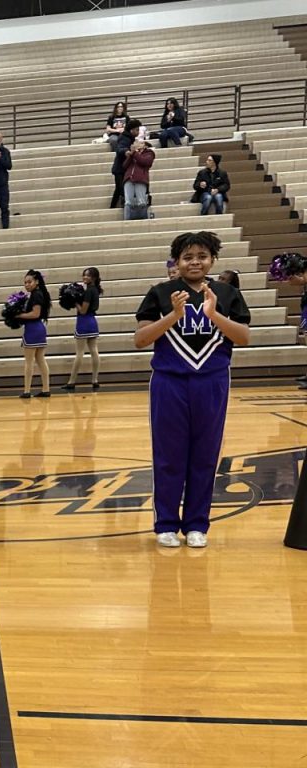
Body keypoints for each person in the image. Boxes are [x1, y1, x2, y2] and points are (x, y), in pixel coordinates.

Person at [135, 231, 250, 548]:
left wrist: (214, 315)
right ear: (177, 261)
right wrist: (173, 315)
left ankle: (197, 524)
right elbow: (141, 339)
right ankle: (166, 524)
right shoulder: (160, 293)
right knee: (168, 456)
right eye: (188, 256)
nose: (195, 262)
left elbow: (243, 337)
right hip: (169, 382)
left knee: (205, 456)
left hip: (212, 381)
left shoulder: (226, 293)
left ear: (212, 259)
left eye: (201, 256)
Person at [64, 267, 102, 392]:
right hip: (93, 322)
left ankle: (71, 381)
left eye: (88, 275)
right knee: (94, 351)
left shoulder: (88, 291)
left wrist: (74, 301)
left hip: (84, 321)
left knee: (79, 353)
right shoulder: (95, 290)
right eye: (84, 275)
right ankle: (95, 380)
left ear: (94, 278)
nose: (85, 277)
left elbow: (83, 310)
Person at [18, 269, 52, 399]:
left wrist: (19, 315)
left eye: (29, 282)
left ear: (36, 282)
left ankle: (27, 390)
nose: (27, 284)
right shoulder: (38, 293)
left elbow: (35, 314)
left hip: (33, 328)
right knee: (40, 359)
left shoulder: (36, 295)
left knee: (29, 361)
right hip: (39, 328)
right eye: (25, 282)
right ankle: (46, 389)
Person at [111, 119, 142, 210]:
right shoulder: (125, 138)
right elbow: (119, 149)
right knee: (121, 189)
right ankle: (123, 207)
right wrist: (126, 151)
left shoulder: (129, 138)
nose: (138, 132)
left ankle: (112, 207)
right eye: (137, 130)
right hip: (120, 169)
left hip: (121, 168)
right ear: (131, 130)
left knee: (118, 189)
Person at [122, 135, 155, 221]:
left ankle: (143, 219)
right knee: (128, 201)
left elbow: (145, 162)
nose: (137, 144)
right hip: (129, 178)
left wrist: (135, 153)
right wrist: (131, 155)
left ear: (145, 145)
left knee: (141, 200)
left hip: (141, 179)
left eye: (140, 143)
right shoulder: (133, 153)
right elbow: (125, 165)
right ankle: (127, 219)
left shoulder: (149, 153)